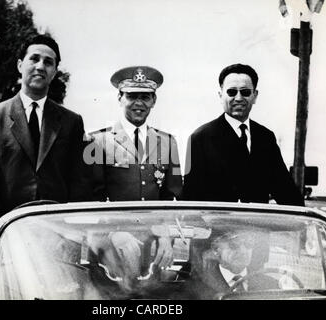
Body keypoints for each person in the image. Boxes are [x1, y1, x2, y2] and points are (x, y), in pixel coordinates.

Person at [0, 35, 91, 221]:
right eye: (34, 59)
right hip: (9, 231)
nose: (41, 66)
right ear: (20, 65)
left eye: (48, 62)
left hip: (59, 232)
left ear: (54, 72)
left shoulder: (71, 122)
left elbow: (79, 184)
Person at [183, 63, 304, 205]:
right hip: (217, 226)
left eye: (245, 92)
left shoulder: (265, 137)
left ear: (255, 96)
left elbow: (286, 191)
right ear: (221, 95)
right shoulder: (200, 138)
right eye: (231, 92)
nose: (239, 98)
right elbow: (191, 199)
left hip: (257, 225)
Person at [88, 66, 182, 201]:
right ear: (120, 98)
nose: (138, 103)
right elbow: (94, 195)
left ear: (153, 101)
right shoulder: (98, 141)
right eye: (131, 96)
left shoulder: (168, 142)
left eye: (145, 97)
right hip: (115, 221)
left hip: (156, 221)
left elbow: (174, 194)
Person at [193, 229, 278, 299]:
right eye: (234, 244)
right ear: (216, 250)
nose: (243, 251)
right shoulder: (196, 286)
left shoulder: (270, 285)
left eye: (248, 244)